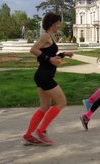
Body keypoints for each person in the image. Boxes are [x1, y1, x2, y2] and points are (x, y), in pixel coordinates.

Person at [22, 12, 73, 146]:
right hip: (44, 76)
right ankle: (41, 130)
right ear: (52, 23)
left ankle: (28, 136)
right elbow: (33, 50)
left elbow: (48, 54)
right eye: (58, 23)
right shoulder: (45, 36)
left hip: (42, 75)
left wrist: (63, 54)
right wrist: (49, 59)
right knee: (61, 102)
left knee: (45, 106)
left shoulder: (49, 37)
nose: (59, 26)